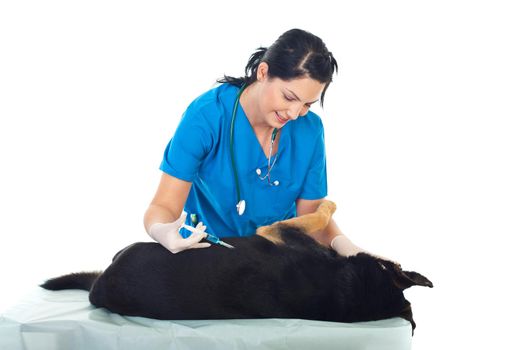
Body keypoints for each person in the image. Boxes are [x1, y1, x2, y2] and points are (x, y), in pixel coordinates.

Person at [143, 29, 369, 258]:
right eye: (289, 97)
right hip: (208, 255)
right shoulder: (206, 117)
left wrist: (347, 247)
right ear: (263, 72)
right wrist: (163, 231)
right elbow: (164, 206)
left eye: (307, 104)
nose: (294, 113)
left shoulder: (309, 130)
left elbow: (312, 218)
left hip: (277, 259)